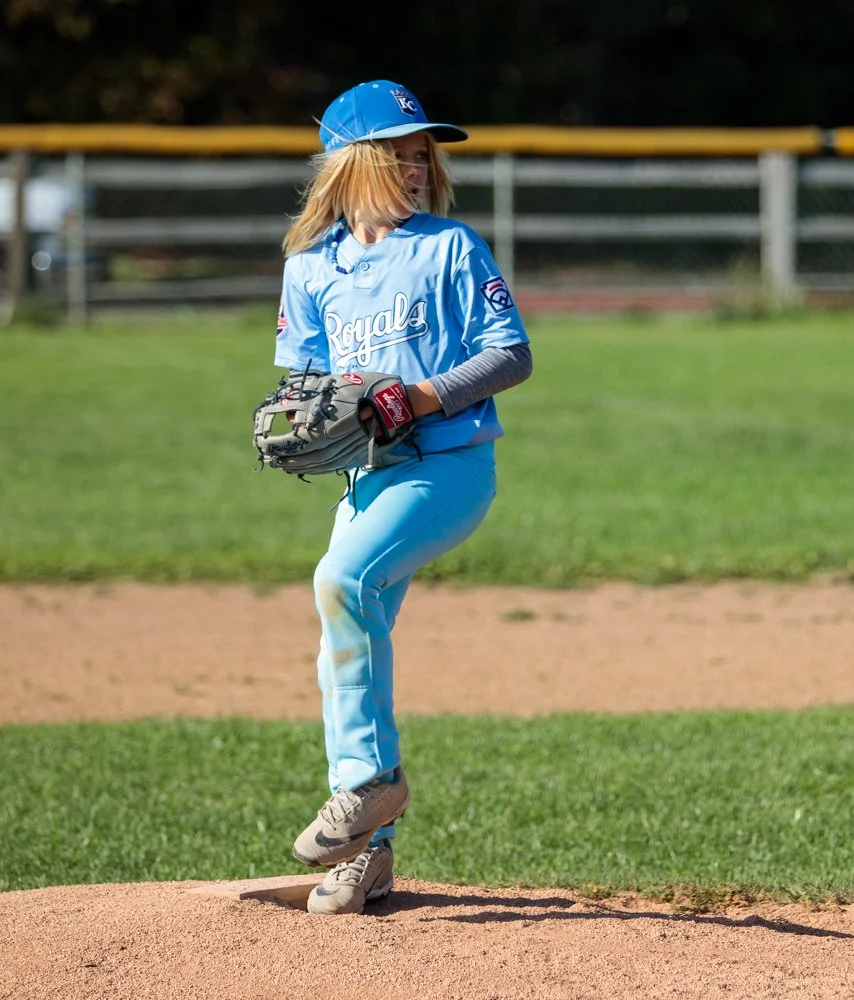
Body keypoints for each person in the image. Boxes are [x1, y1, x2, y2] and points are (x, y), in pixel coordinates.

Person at [272, 80, 533, 916]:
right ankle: (368, 854)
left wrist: (421, 397)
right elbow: (305, 379)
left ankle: (369, 787)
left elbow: (511, 354)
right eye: (400, 152)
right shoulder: (310, 268)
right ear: (355, 164)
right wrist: (311, 416)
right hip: (369, 477)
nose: (418, 165)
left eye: (424, 152)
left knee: (340, 583)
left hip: (449, 466)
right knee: (346, 635)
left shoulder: (451, 248)